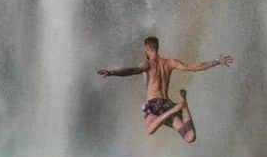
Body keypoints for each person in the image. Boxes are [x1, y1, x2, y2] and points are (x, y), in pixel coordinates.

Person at [97, 35, 232, 143]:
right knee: (189, 137)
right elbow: (194, 67)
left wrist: (111, 72)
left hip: (154, 104)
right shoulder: (170, 63)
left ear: (146, 48)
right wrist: (217, 61)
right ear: (158, 47)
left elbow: (133, 70)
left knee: (150, 129)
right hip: (166, 103)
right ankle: (183, 106)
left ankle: (177, 108)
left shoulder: (148, 64)